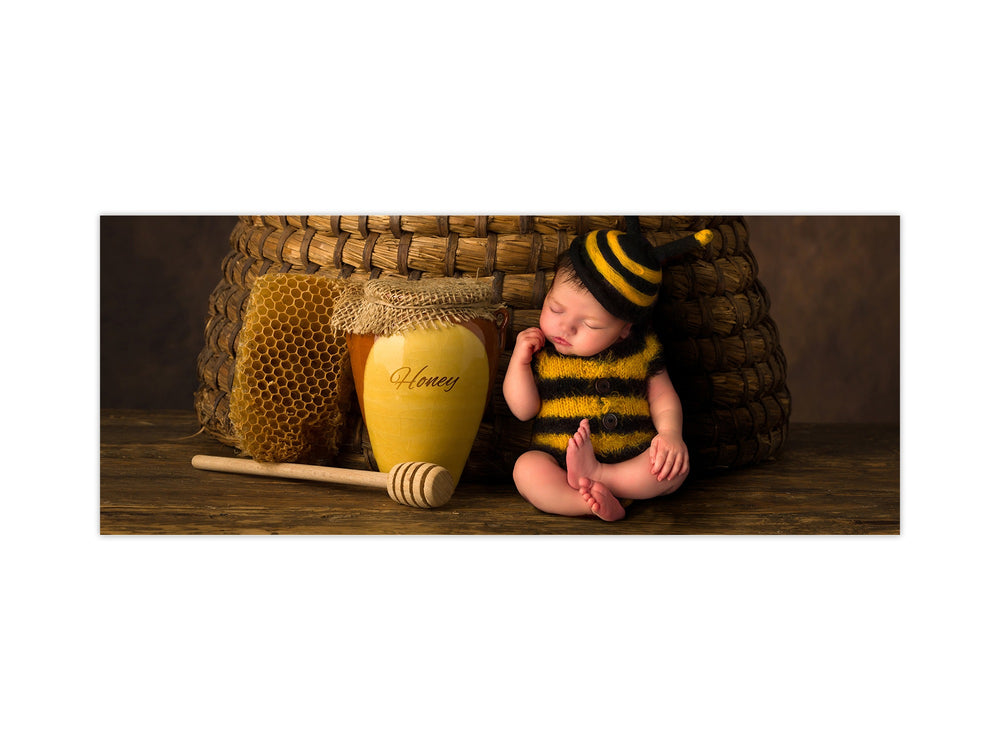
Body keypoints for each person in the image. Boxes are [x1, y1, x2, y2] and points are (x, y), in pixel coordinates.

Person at [502, 227, 713, 521]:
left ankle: (603, 477)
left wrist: (670, 435)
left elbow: (663, 397)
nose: (565, 328)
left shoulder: (641, 351)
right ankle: (586, 503)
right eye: (556, 309)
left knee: (674, 469)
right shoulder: (542, 352)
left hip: (630, 464)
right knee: (526, 468)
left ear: (625, 329)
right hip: (558, 463)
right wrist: (519, 363)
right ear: (547, 293)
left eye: (590, 324)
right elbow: (524, 410)